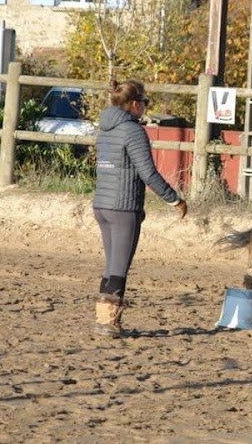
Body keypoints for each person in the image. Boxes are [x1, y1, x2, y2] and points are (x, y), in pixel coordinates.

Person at [92, 79, 187, 338]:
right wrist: (174, 199)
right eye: (144, 103)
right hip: (124, 206)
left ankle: (102, 318)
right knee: (119, 267)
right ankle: (109, 322)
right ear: (134, 105)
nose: (145, 108)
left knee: (111, 264)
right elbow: (148, 173)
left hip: (102, 204)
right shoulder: (133, 131)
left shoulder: (106, 129)